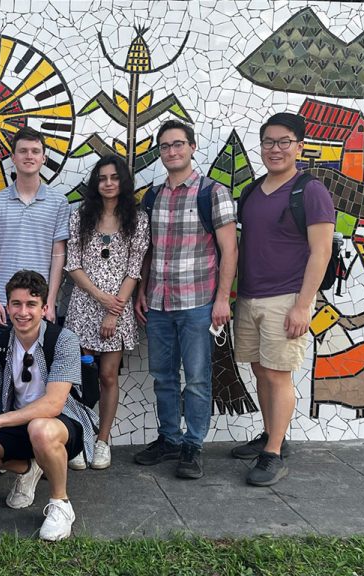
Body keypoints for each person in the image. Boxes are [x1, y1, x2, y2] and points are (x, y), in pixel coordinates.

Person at [231, 113, 335, 486]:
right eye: (268, 142)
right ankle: (270, 433)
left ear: (299, 147)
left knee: (278, 374)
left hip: (287, 297)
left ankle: (274, 452)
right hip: (250, 297)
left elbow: (320, 252)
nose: (275, 149)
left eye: (283, 142)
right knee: (260, 370)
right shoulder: (252, 191)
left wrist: (303, 305)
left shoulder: (310, 191)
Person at [0, 270, 94, 542]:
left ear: (44, 308)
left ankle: (61, 504)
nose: (23, 312)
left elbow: (53, 404)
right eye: (16, 304)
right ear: (7, 308)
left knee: (41, 429)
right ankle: (29, 469)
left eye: (31, 304)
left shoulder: (64, 340)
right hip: (17, 423)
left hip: (62, 424)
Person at [134, 120, 238, 479]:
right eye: (165, 146)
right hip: (159, 303)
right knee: (162, 375)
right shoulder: (153, 196)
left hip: (197, 303)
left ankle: (193, 445)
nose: (172, 151)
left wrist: (222, 299)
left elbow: (230, 250)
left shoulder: (212, 193)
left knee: (196, 378)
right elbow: (147, 251)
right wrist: (141, 291)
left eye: (178, 144)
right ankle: (169, 439)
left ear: (192, 148)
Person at [64, 157, 150, 471]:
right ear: (95, 183)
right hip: (84, 306)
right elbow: (72, 264)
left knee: (107, 376)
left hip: (119, 309)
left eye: (114, 177)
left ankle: (102, 441)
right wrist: (101, 298)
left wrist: (114, 310)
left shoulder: (138, 219)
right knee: (79, 378)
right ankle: (78, 438)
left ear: (123, 182)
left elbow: (134, 268)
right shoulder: (79, 217)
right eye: (102, 178)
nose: (108, 183)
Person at [0, 128, 70, 343]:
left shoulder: (59, 203)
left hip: (40, 307)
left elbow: (59, 255)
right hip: (3, 306)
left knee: (41, 372)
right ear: (13, 157)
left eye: (35, 151)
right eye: (22, 151)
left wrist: (49, 302)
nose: (29, 156)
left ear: (43, 158)